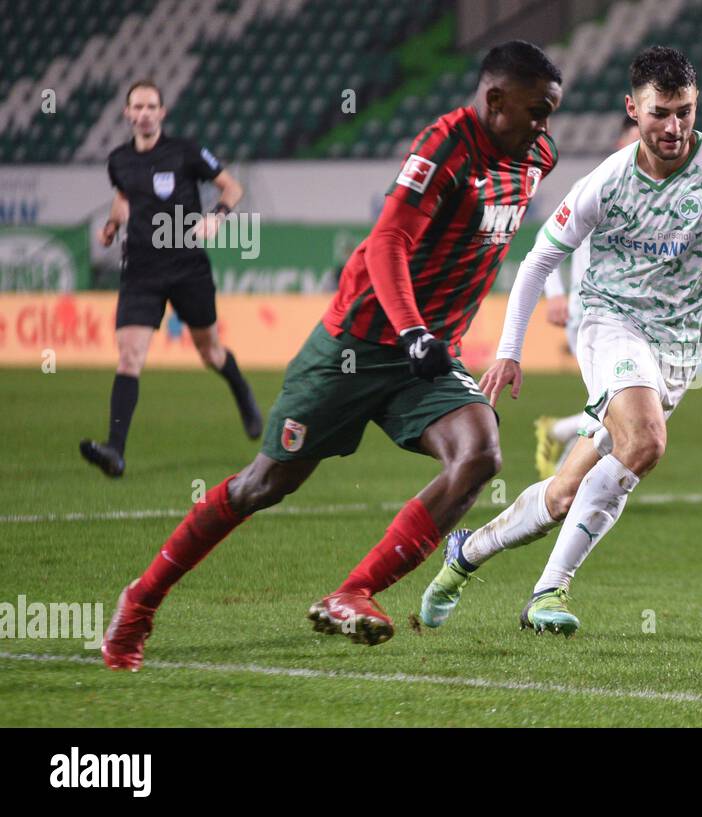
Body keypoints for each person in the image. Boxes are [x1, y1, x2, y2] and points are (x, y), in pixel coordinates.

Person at [101, 41, 563, 670]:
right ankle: (140, 600)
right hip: (360, 342)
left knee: (480, 452)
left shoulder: (538, 156)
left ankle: (354, 592)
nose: (545, 126)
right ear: (495, 100)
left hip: (426, 358)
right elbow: (387, 242)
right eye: (537, 110)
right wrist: (412, 331)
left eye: (551, 113)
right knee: (263, 485)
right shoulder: (444, 146)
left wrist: (430, 339)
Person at [418, 46, 702, 636]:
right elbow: (539, 260)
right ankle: (547, 594)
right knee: (644, 442)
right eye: (660, 113)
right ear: (632, 109)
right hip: (609, 322)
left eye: (686, 113)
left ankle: (465, 555)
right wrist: (511, 349)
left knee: (566, 494)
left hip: (677, 349)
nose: (674, 128)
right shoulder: (609, 181)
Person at [81, 79, 259, 478]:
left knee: (210, 352)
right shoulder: (119, 160)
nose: (143, 114)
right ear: (127, 114)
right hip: (141, 270)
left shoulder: (186, 151)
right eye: (137, 107)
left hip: (187, 266)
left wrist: (217, 216)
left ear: (162, 112)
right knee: (129, 356)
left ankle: (240, 389)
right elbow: (124, 195)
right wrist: (112, 223)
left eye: (151, 107)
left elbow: (232, 186)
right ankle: (115, 450)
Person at [533, 115, 641, 479]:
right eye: (635, 140)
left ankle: (560, 438)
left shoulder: (662, 198)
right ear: (619, 146)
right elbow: (546, 245)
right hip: (589, 315)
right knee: (617, 404)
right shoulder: (596, 185)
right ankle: (564, 482)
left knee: (630, 403)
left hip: (635, 321)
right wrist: (555, 294)